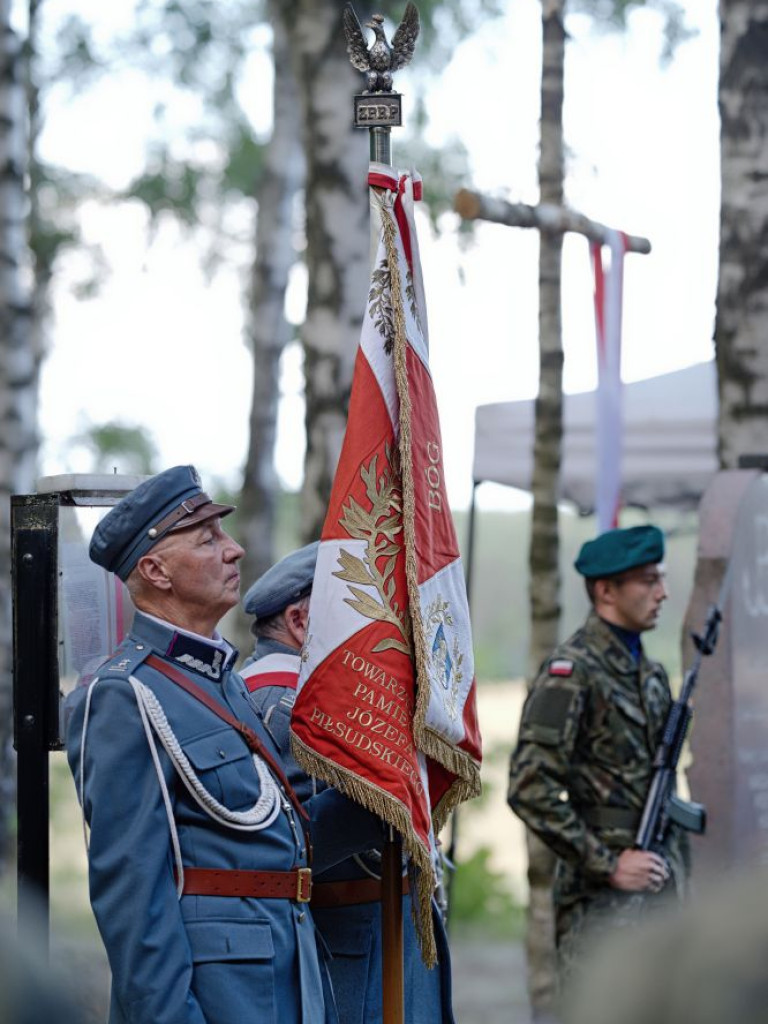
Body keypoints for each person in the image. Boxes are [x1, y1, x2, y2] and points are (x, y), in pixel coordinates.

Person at [65, 466, 380, 1024]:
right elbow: (134, 905)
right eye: (208, 539)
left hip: (286, 979)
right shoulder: (124, 694)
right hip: (219, 998)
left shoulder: (221, 681)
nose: (233, 551)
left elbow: (274, 843)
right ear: (155, 569)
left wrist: (383, 794)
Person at [240, 542, 455, 1024]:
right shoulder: (285, 705)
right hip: (351, 945)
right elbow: (292, 839)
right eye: (359, 611)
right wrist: (393, 794)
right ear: (299, 622)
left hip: (378, 934)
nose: (380, 629)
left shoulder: (309, 699)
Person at [507, 524, 689, 995]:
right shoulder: (572, 672)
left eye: (661, 578)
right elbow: (530, 789)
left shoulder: (649, 673)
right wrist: (607, 864)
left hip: (660, 891)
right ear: (606, 590)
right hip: (600, 905)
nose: (663, 593)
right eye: (648, 581)